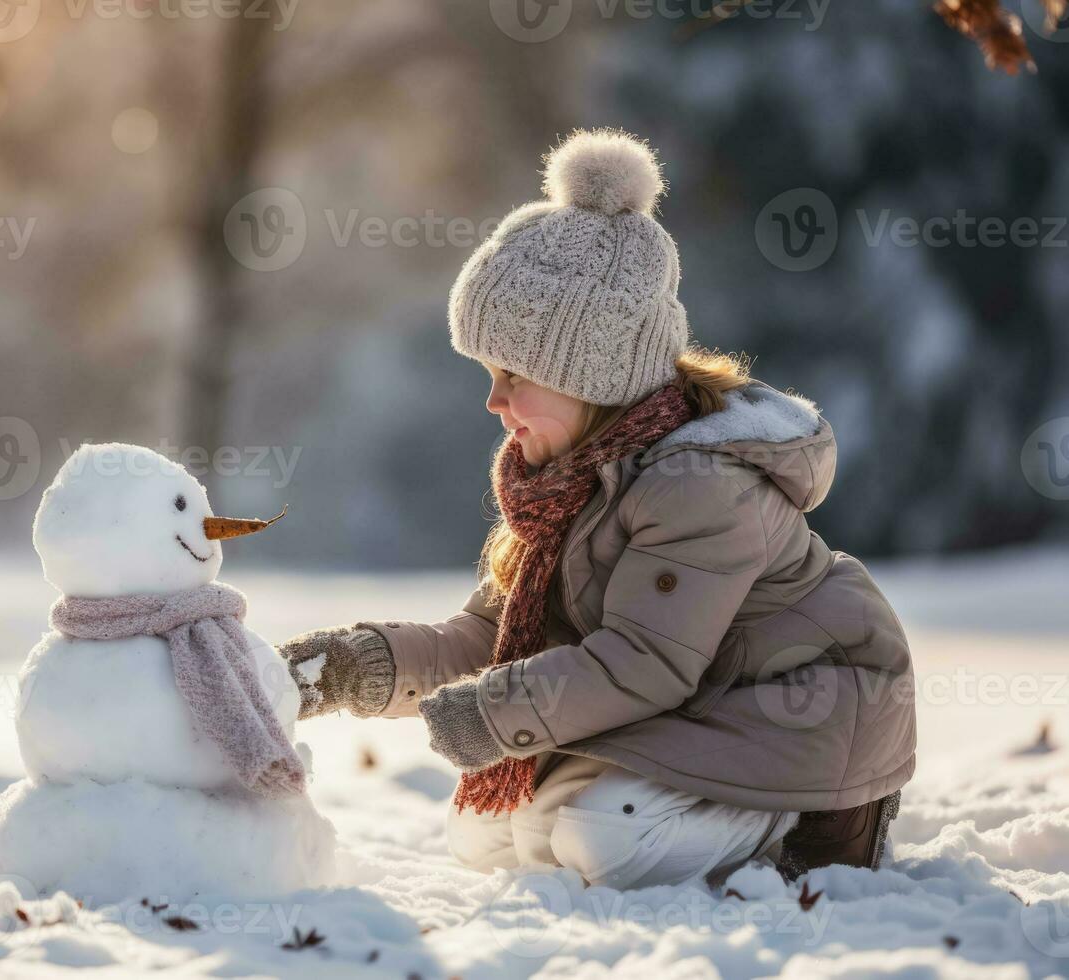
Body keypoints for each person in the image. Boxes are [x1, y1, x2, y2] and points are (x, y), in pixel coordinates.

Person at [279, 129, 913, 890]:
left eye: (515, 374)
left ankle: (806, 824)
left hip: (799, 719)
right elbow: (492, 635)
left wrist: (486, 716)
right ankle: (668, 815)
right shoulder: (559, 479)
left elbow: (644, 664)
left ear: (593, 373)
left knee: (597, 838)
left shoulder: (699, 484)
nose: (495, 401)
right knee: (485, 831)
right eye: (489, 372)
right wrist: (354, 668)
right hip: (694, 711)